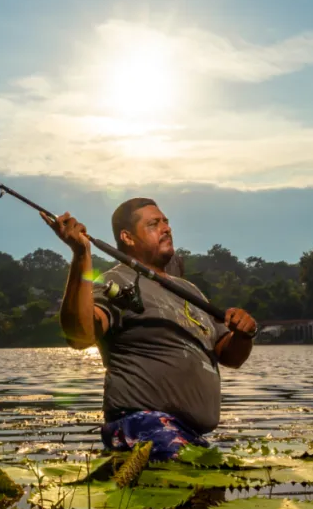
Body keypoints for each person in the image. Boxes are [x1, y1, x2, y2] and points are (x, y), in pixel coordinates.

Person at [41, 197, 258, 460]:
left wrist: (243, 334)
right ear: (128, 237)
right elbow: (80, 335)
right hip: (143, 425)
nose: (166, 228)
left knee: (219, 487)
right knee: (189, 479)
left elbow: (229, 356)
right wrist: (81, 255)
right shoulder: (116, 281)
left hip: (189, 434)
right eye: (154, 223)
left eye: (166, 221)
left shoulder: (191, 291)